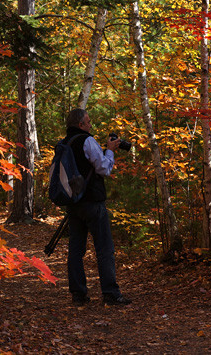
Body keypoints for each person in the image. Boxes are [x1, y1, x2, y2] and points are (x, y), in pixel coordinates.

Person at [62, 108, 131, 306]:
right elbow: (103, 168)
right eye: (89, 121)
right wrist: (109, 150)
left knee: (76, 250)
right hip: (93, 201)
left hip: (74, 203)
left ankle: (78, 294)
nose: (91, 125)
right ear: (81, 124)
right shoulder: (86, 140)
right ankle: (110, 293)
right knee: (104, 248)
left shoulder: (64, 143)